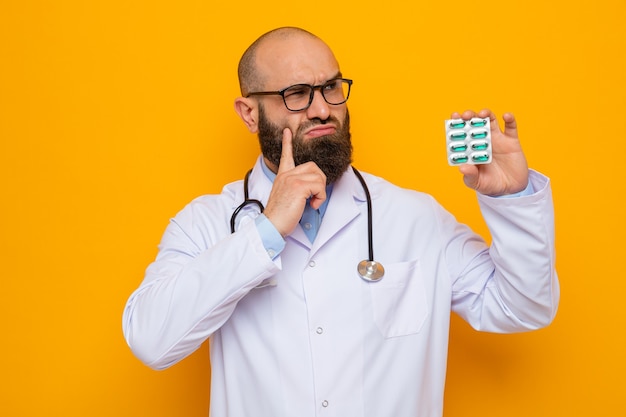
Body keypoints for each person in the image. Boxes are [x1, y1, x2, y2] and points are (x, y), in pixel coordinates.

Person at [122, 27, 560, 417]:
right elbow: (151, 340)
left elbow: (522, 307)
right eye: (296, 93)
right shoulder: (206, 223)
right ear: (249, 113)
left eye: (331, 87)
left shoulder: (415, 217)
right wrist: (266, 231)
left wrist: (513, 200)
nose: (321, 109)